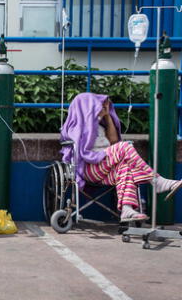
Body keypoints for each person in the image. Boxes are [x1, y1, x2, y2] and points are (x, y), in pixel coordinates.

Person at [61, 93, 182, 222]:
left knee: (125, 167)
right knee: (124, 147)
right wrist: (96, 118)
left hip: (104, 167)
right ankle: (156, 181)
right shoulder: (75, 127)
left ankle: (127, 209)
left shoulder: (100, 125)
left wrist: (107, 116)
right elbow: (86, 142)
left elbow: (114, 141)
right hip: (89, 169)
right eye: (96, 106)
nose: (100, 108)